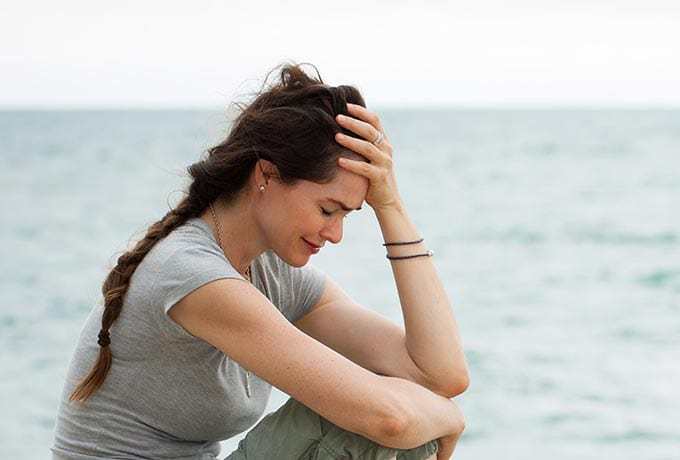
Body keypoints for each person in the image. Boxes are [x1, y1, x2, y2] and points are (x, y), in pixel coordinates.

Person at [51, 63, 469, 460]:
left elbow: (440, 374)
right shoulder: (192, 274)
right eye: (328, 210)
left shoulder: (273, 274)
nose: (336, 234)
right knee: (368, 417)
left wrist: (391, 207)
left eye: (347, 215)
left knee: (395, 398)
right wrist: (447, 416)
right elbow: (390, 420)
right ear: (266, 175)